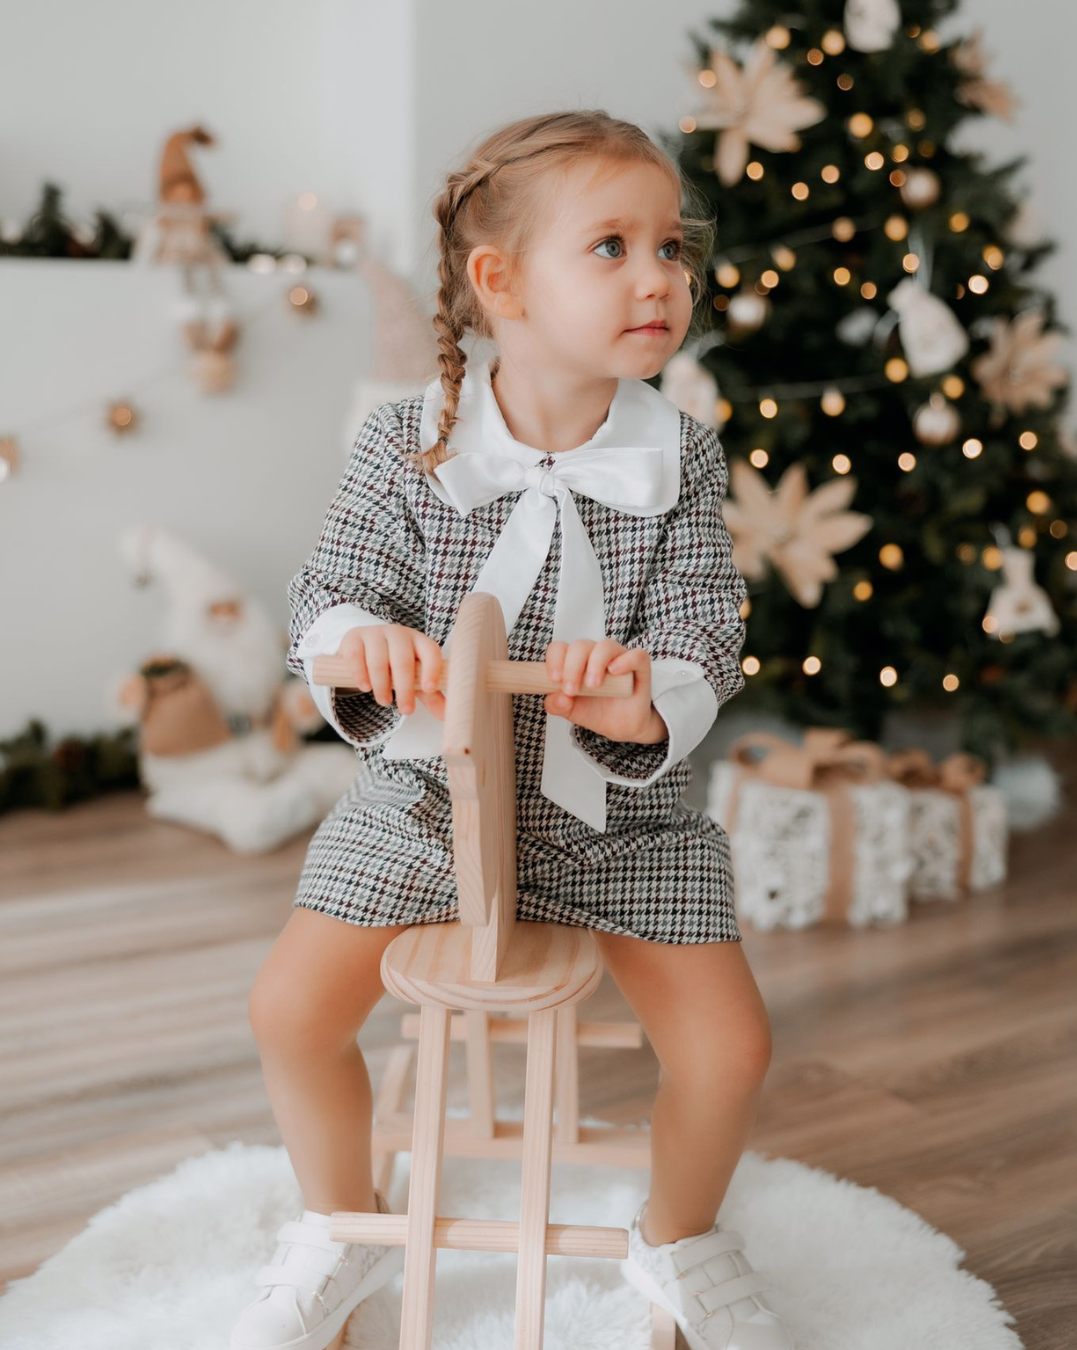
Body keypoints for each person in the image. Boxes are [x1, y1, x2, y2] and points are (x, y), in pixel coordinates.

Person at [230, 109, 792, 1350]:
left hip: (617, 819)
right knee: (289, 1012)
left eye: (672, 247)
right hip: (429, 807)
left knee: (730, 1043)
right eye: (612, 246)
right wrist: (362, 647)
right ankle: (337, 1226)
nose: (661, 276)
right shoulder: (406, 442)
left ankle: (684, 1236)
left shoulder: (682, 460)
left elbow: (709, 629)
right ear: (501, 283)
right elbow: (327, 596)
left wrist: (642, 699)